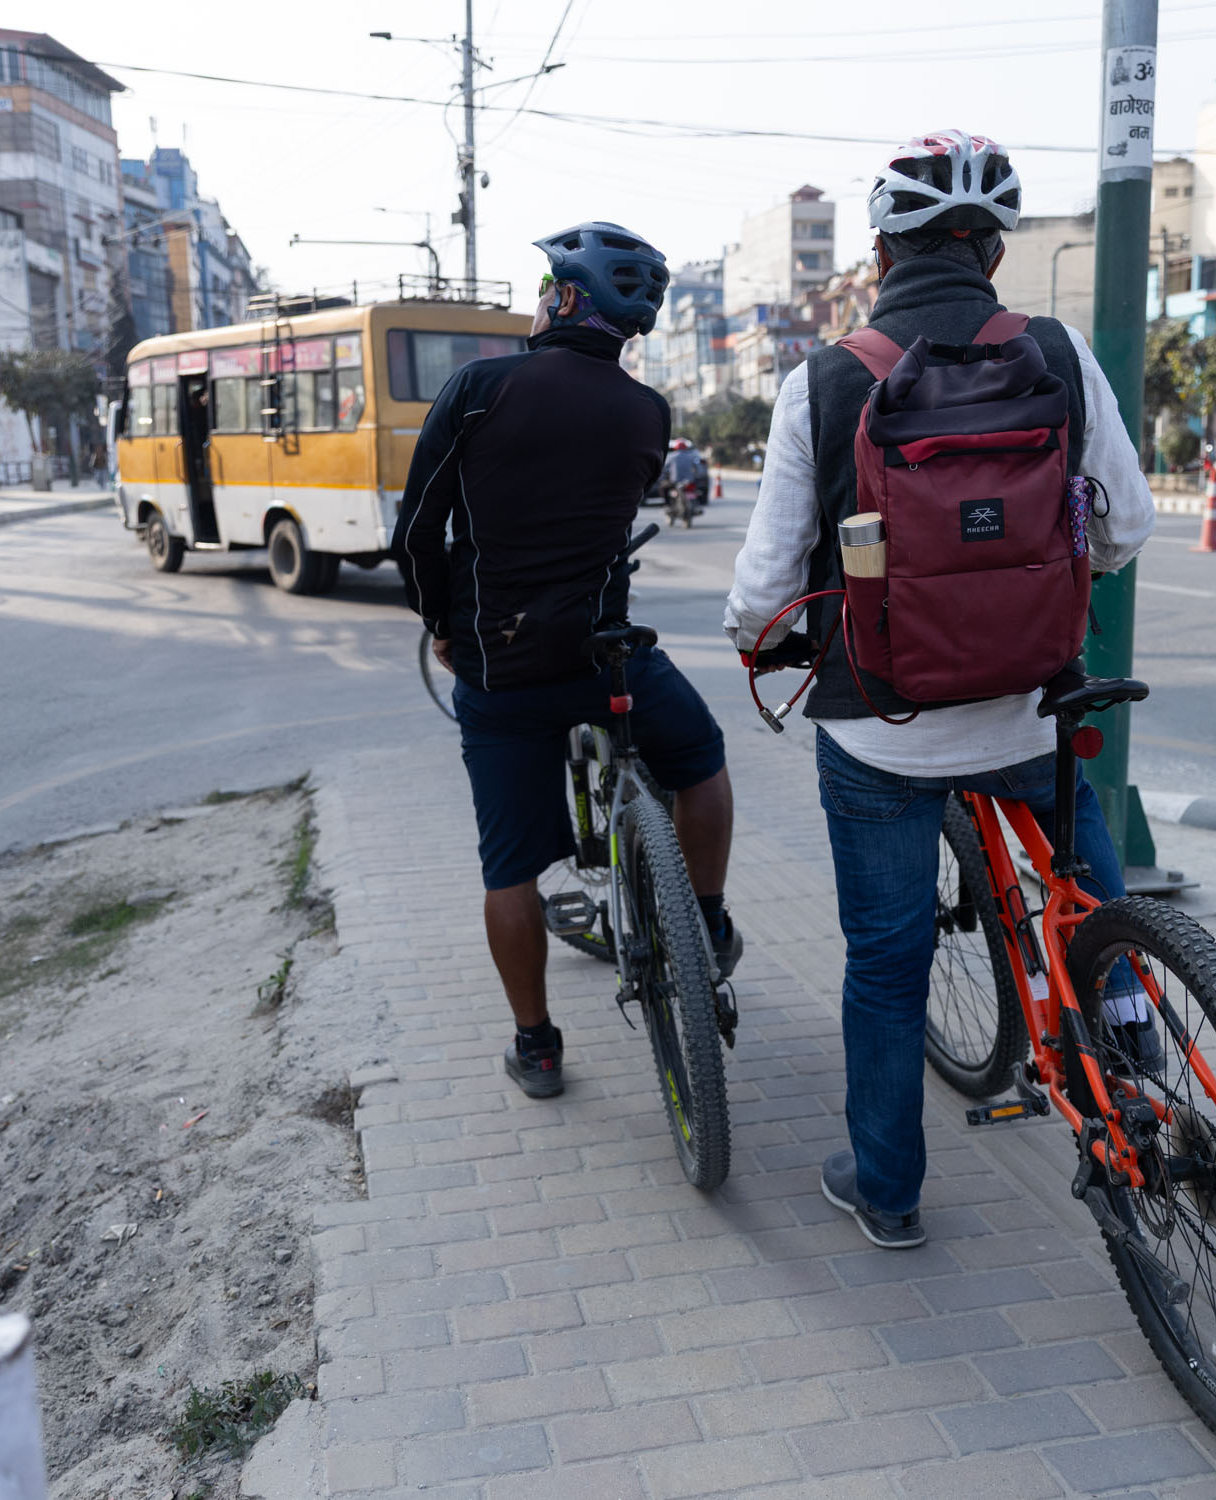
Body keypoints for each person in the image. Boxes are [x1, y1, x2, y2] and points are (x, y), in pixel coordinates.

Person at [725, 130, 1156, 1250]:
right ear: (993, 255)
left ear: (879, 251)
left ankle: (890, 1191)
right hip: (1026, 706)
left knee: (884, 967)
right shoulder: (1056, 353)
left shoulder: (823, 380)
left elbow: (765, 584)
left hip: (884, 729)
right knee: (1092, 894)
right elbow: (1127, 525)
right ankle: (1136, 1040)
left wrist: (762, 646)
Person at [395, 221, 740, 1101]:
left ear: (565, 298)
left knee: (508, 868)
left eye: (549, 285)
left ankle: (538, 1045)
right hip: (607, 660)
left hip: (500, 672)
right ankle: (705, 920)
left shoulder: (478, 388)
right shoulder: (647, 412)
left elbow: (416, 534)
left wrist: (443, 620)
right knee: (699, 761)